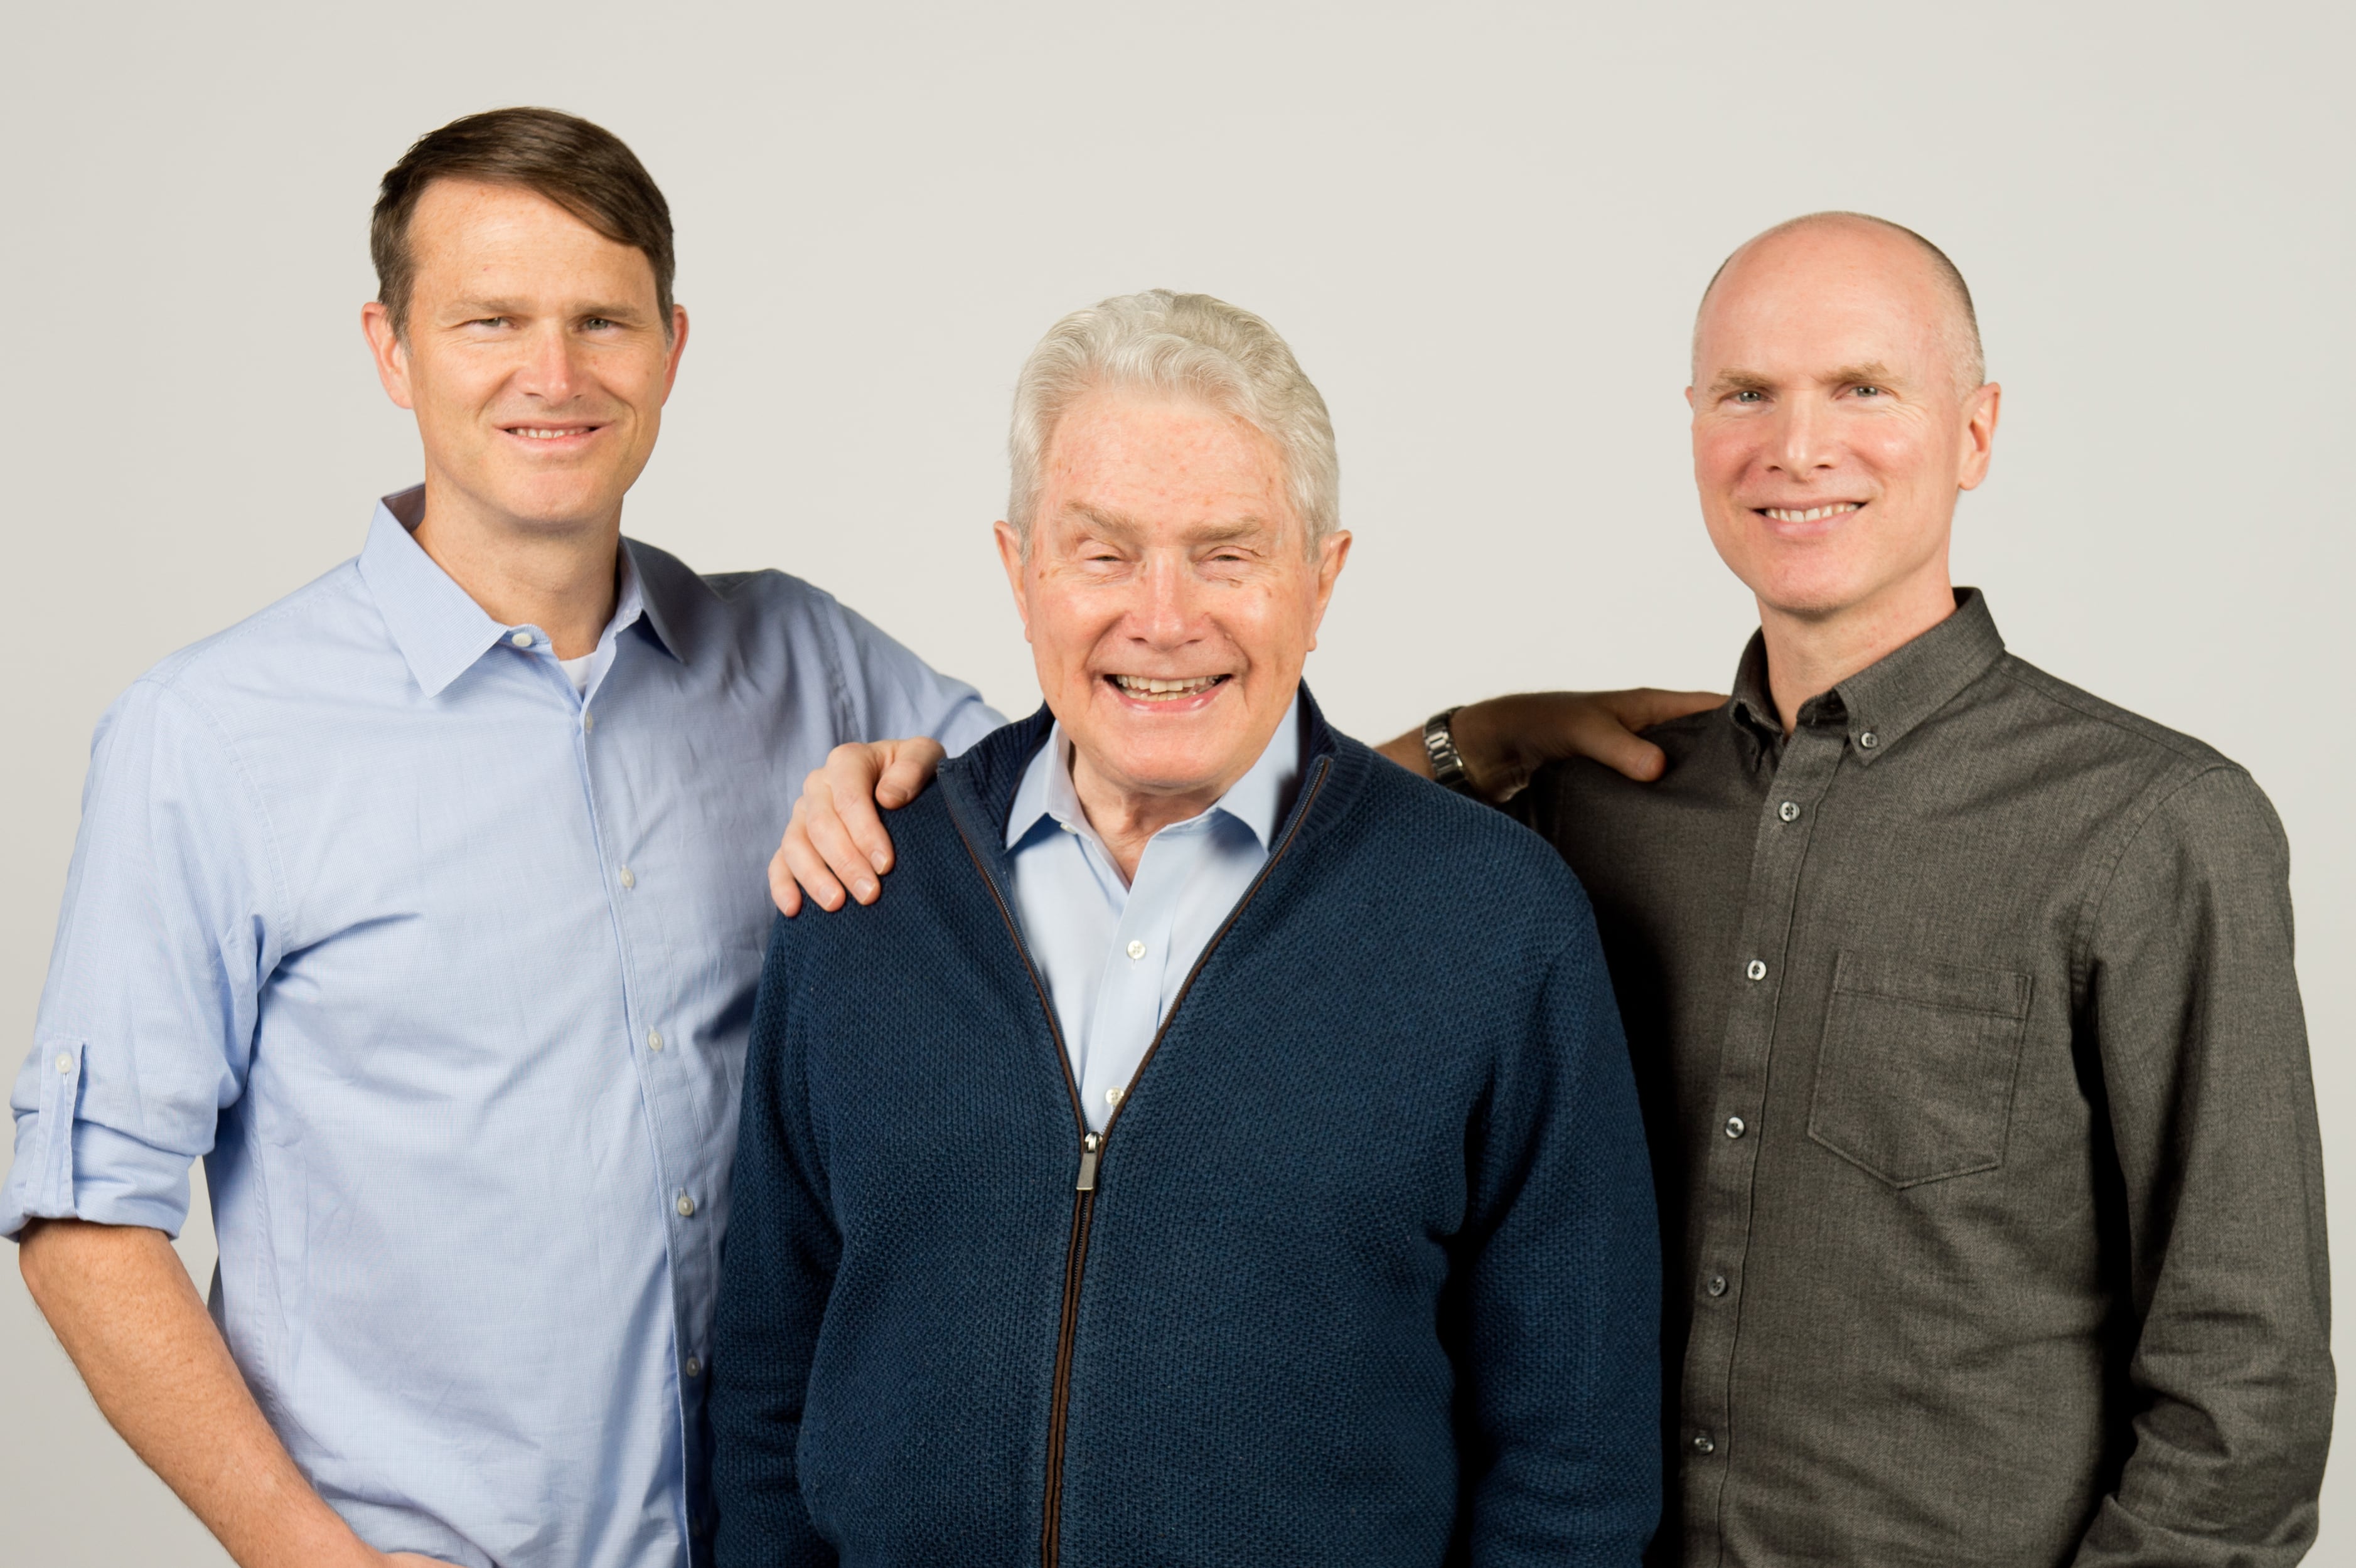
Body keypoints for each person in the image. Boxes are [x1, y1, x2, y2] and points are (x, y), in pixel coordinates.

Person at [774, 215, 2333, 1565]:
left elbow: (2241, 1379)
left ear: (1976, 430)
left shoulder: (2146, 826)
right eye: (1745, 393)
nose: (1796, 446)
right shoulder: (1605, 810)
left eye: (1862, 387)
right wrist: (1475, 733)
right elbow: (1245, 802)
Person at [4, 107, 1001, 1567]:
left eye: (602, 318)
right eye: (491, 321)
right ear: (391, 348)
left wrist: (922, 772)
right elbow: (86, 1221)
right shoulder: (209, 734)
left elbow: (1102, 827)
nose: (555, 374)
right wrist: (303, 1554)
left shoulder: (807, 660)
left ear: (670, 346)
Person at [710, 291, 1663, 1565]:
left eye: (1226, 552)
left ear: (1320, 579)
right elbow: (769, 1397)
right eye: (1102, 553)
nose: (1163, 618)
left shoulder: (1494, 921)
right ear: (1018, 569)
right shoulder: (863, 890)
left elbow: (1575, 1465)